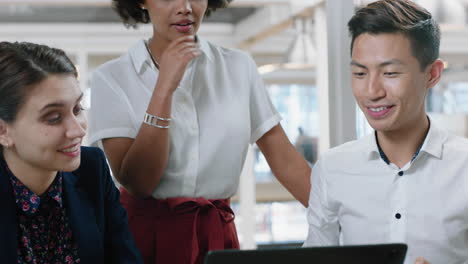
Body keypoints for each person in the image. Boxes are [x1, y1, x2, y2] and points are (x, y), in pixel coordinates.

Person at [88, 0, 311, 263]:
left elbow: (285, 160)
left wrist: (345, 217)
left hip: (216, 238)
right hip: (143, 240)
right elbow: (138, 183)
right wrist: (164, 89)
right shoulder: (112, 78)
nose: (185, 7)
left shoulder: (239, 67)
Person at [303, 0, 468, 264]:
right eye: (359, 73)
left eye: (390, 72)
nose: (372, 91)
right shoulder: (333, 168)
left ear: (432, 74)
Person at [0, 41, 143, 263]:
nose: (78, 130)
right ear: (3, 131)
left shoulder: (92, 168)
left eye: (77, 109)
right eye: (54, 118)